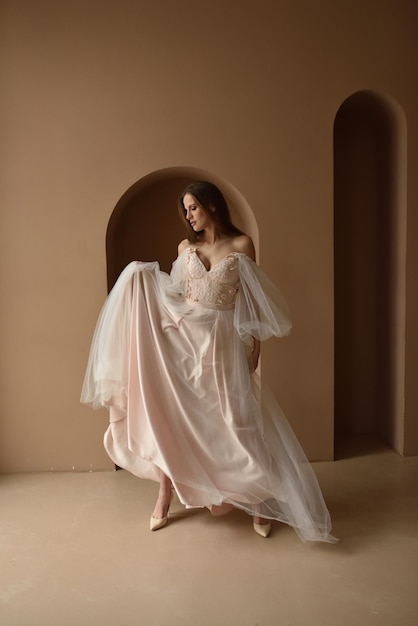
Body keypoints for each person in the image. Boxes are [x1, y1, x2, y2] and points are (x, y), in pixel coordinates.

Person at [81, 181, 337, 542]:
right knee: (176, 418)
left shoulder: (241, 245)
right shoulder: (186, 247)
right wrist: (142, 279)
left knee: (237, 421)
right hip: (184, 342)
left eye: (193, 208)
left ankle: (257, 500)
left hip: (222, 344)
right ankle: (165, 492)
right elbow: (174, 293)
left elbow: (251, 301)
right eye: (185, 210)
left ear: (211, 206)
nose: (188, 216)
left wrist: (256, 350)